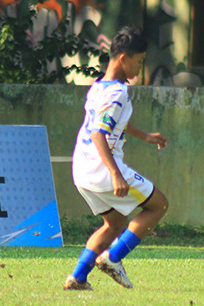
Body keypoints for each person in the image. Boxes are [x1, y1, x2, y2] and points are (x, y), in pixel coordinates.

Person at [64, 26, 169, 290]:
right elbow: (99, 133)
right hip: (102, 169)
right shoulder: (117, 94)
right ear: (123, 58)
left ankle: (78, 278)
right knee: (158, 206)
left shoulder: (100, 87)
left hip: (82, 169)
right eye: (139, 61)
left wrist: (145, 136)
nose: (140, 68)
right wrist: (115, 173)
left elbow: (111, 123)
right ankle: (113, 257)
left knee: (115, 223)